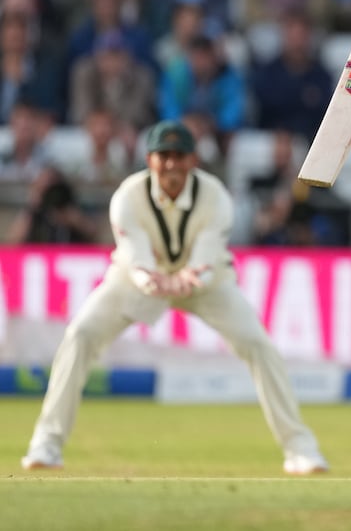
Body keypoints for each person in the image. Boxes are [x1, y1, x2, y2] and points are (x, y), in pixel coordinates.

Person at [20, 121, 329, 475]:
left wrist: (192, 276)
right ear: (149, 160)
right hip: (134, 281)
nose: (170, 165)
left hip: (206, 286)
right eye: (163, 156)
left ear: (192, 160)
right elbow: (136, 259)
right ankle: (46, 443)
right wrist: (151, 279)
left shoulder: (215, 197)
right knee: (81, 334)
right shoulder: (127, 197)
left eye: (178, 156)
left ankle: (300, 449)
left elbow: (208, 258)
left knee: (258, 344)